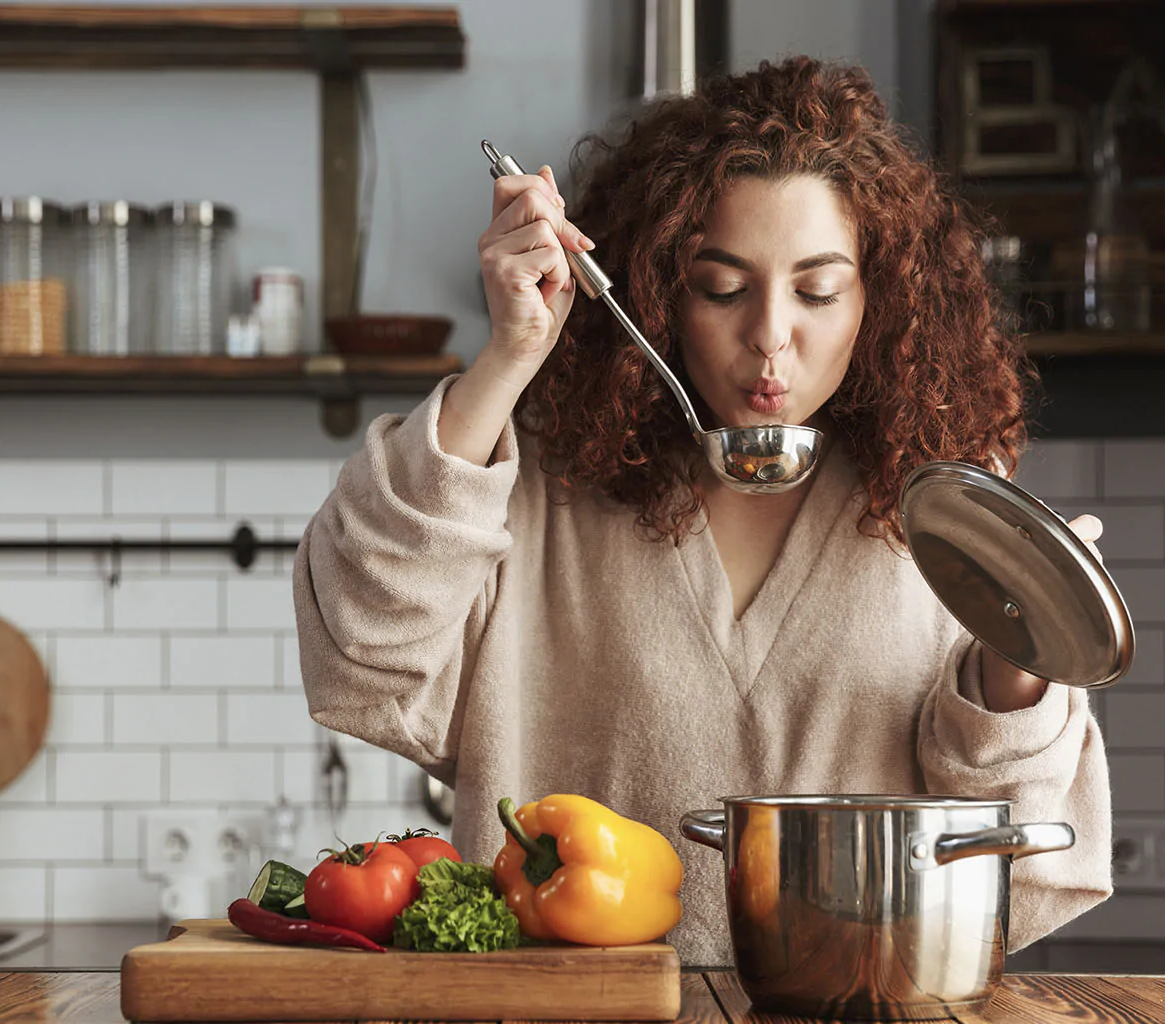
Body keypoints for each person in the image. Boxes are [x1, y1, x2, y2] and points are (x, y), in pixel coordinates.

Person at [293, 56, 1112, 966]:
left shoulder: (951, 512)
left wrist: (1021, 661)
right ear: (657, 293)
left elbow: (1017, 847)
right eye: (722, 287)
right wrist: (510, 357)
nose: (770, 333)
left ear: (878, 301)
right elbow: (362, 655)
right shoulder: (537, 490)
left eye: (817, 290)